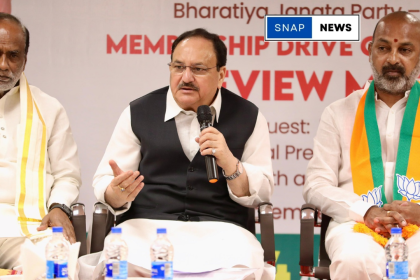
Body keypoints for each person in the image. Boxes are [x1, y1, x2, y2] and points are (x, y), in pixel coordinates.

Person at [92, 28, 273, 278]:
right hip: (146, 231)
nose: (186, 77)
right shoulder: (138, 112)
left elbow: (261, 192)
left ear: (221, 74)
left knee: (240, 268)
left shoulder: (249, 116)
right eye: (178, 67)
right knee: (119, 267)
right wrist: (116, 193)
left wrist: (231, 164)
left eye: (198, 69)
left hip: (223, 234)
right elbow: (104, 183)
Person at [304, 11, 420, 279]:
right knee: (354, 261)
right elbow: (316, 185)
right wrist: (365, 210)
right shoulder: (338, 112)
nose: (392, 59)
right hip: (355, 223)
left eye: (405, 49)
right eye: (383, 48)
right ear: (370, 52)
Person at [0, 13, 81, 269]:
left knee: (58, 264)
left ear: (24, 60)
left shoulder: (48, 108)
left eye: (13, 55)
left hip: (28, 227)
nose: (4, 65)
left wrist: (59, 206)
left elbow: (67, 175)